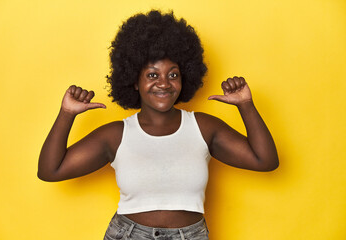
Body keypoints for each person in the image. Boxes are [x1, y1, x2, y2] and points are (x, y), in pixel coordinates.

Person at [38, 10, 279, 240]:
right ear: (134, 81)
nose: (164, 83)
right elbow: (51, 171)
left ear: (185, 77)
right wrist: (67, 113)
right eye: (153, 75)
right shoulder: (116, 135)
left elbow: (265, 161)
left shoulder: (203, 128)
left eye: (173, 75)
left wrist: (246, 105)